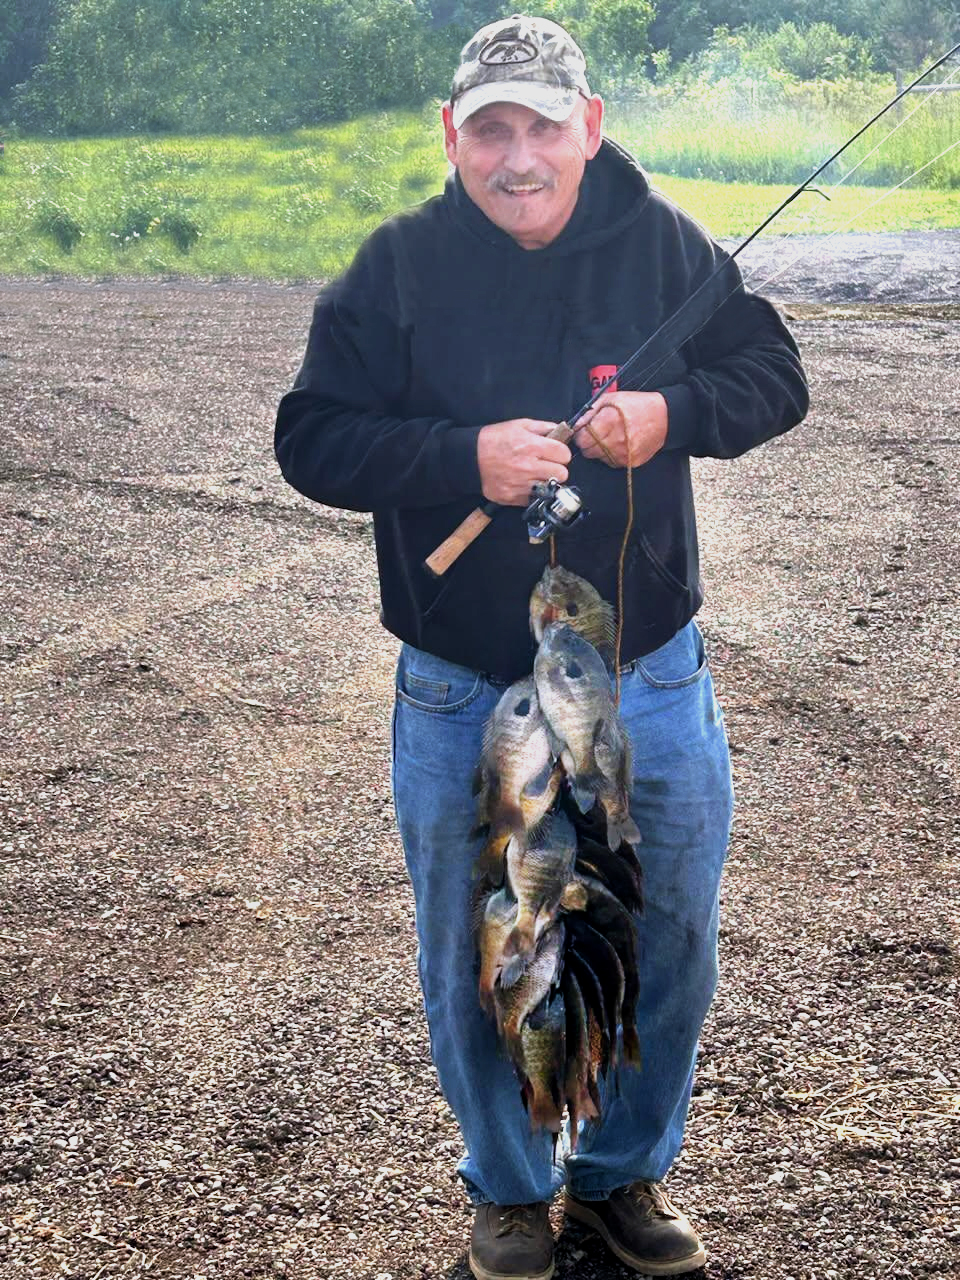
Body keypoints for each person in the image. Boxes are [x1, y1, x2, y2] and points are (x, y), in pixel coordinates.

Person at [275, 15, 808, 1279]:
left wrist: (670, 412)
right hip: (468, 688)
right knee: (484, 948)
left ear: (591, 129)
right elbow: (313, 439)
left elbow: (773, 373)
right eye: (493, 129)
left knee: (663, 934)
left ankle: (622, 1175)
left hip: (649, 678)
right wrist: (460, 455)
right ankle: (510, 1189)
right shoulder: (392, 267)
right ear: (453, 134)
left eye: (544, 127)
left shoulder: (667, 243)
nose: (520, 157)